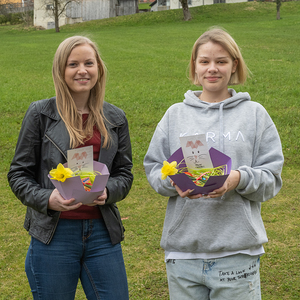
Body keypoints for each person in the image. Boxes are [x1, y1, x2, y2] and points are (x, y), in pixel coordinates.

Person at [143, 27, 284, 300]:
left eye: (221, 61)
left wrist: (238, 179)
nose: (212, 69)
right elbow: (154, 168)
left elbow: (272, 178)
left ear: (234, 66)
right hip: (183, 254)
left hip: (237, 254)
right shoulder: (175, 115)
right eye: (204, 61)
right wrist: (171, 181)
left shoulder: (254, 114)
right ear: (194, 67)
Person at [7, 36, 133, 300]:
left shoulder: (115, 118)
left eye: (89, 63)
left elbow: (125, 174)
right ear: (60, 70)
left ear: (99, 67)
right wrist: (48, 199)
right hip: (54, 234)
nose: (82, 70)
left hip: (102, 233)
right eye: (72, 64)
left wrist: (108, 192)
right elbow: (18, 174)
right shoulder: (41, 114)